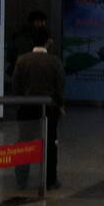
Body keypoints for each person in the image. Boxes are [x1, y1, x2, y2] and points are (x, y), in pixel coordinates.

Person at [11, 26, 66, 190]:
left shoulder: (22, 60)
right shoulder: (54, 61)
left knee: (24, 141)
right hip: (49, 108)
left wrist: (20, 101)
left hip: (27, 107)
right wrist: (61, 105)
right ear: (48, 41)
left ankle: (21, 178)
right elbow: (60, 87)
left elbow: (16, 86)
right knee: (50, 142)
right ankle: (50, 180)